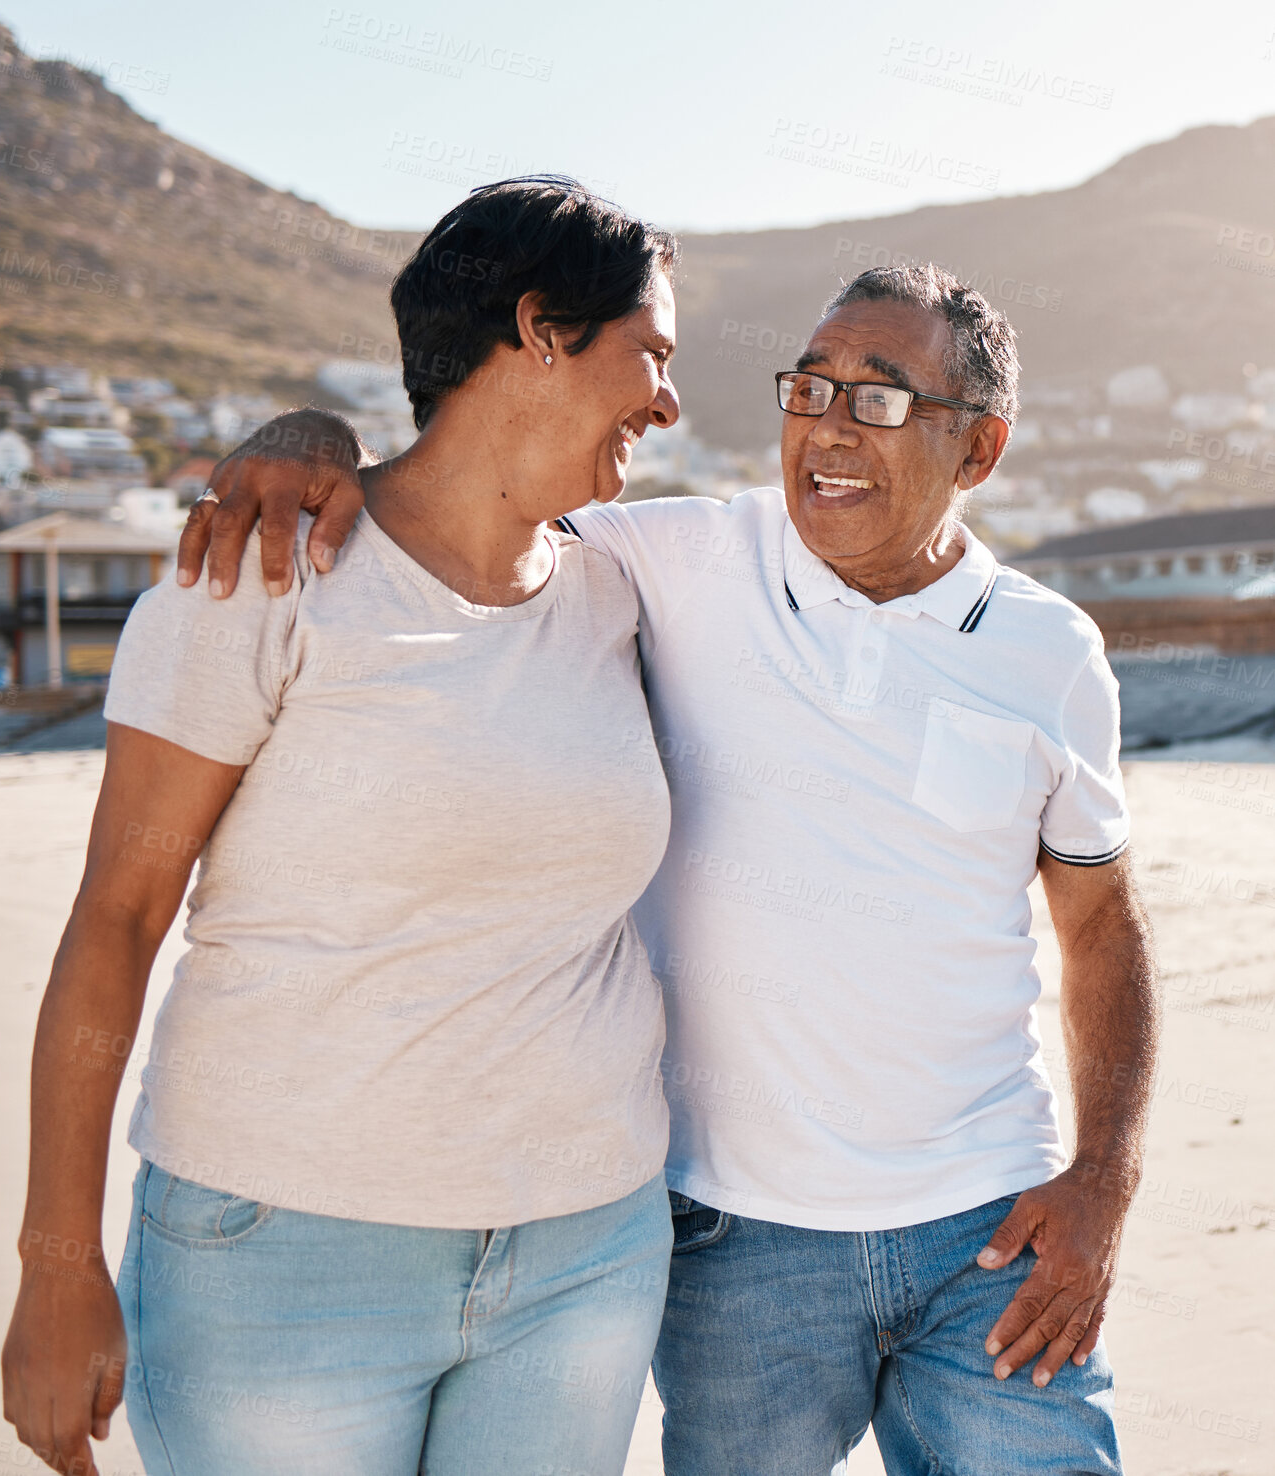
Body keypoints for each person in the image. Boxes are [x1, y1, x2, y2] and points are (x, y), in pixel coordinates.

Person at [188, 260, 1158, 1474]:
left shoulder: (1047, 652)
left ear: (979, 450)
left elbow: (1103, 927)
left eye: (879, 398)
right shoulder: (671, 557)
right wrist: (303, 434)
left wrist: (1104, 1178)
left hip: (990, 1225)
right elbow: (457, 494)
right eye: (809, 388)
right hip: (730, 1241)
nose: (826, 428)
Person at [0, 177, 686, 1476]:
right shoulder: (257, 577)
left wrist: (297, 423)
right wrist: (55, 1261)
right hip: (283, 1257)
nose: (665, 400)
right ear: (539, 328)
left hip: (585, 1257)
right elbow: (118, 917)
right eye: (649, 355)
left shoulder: (627, 589)